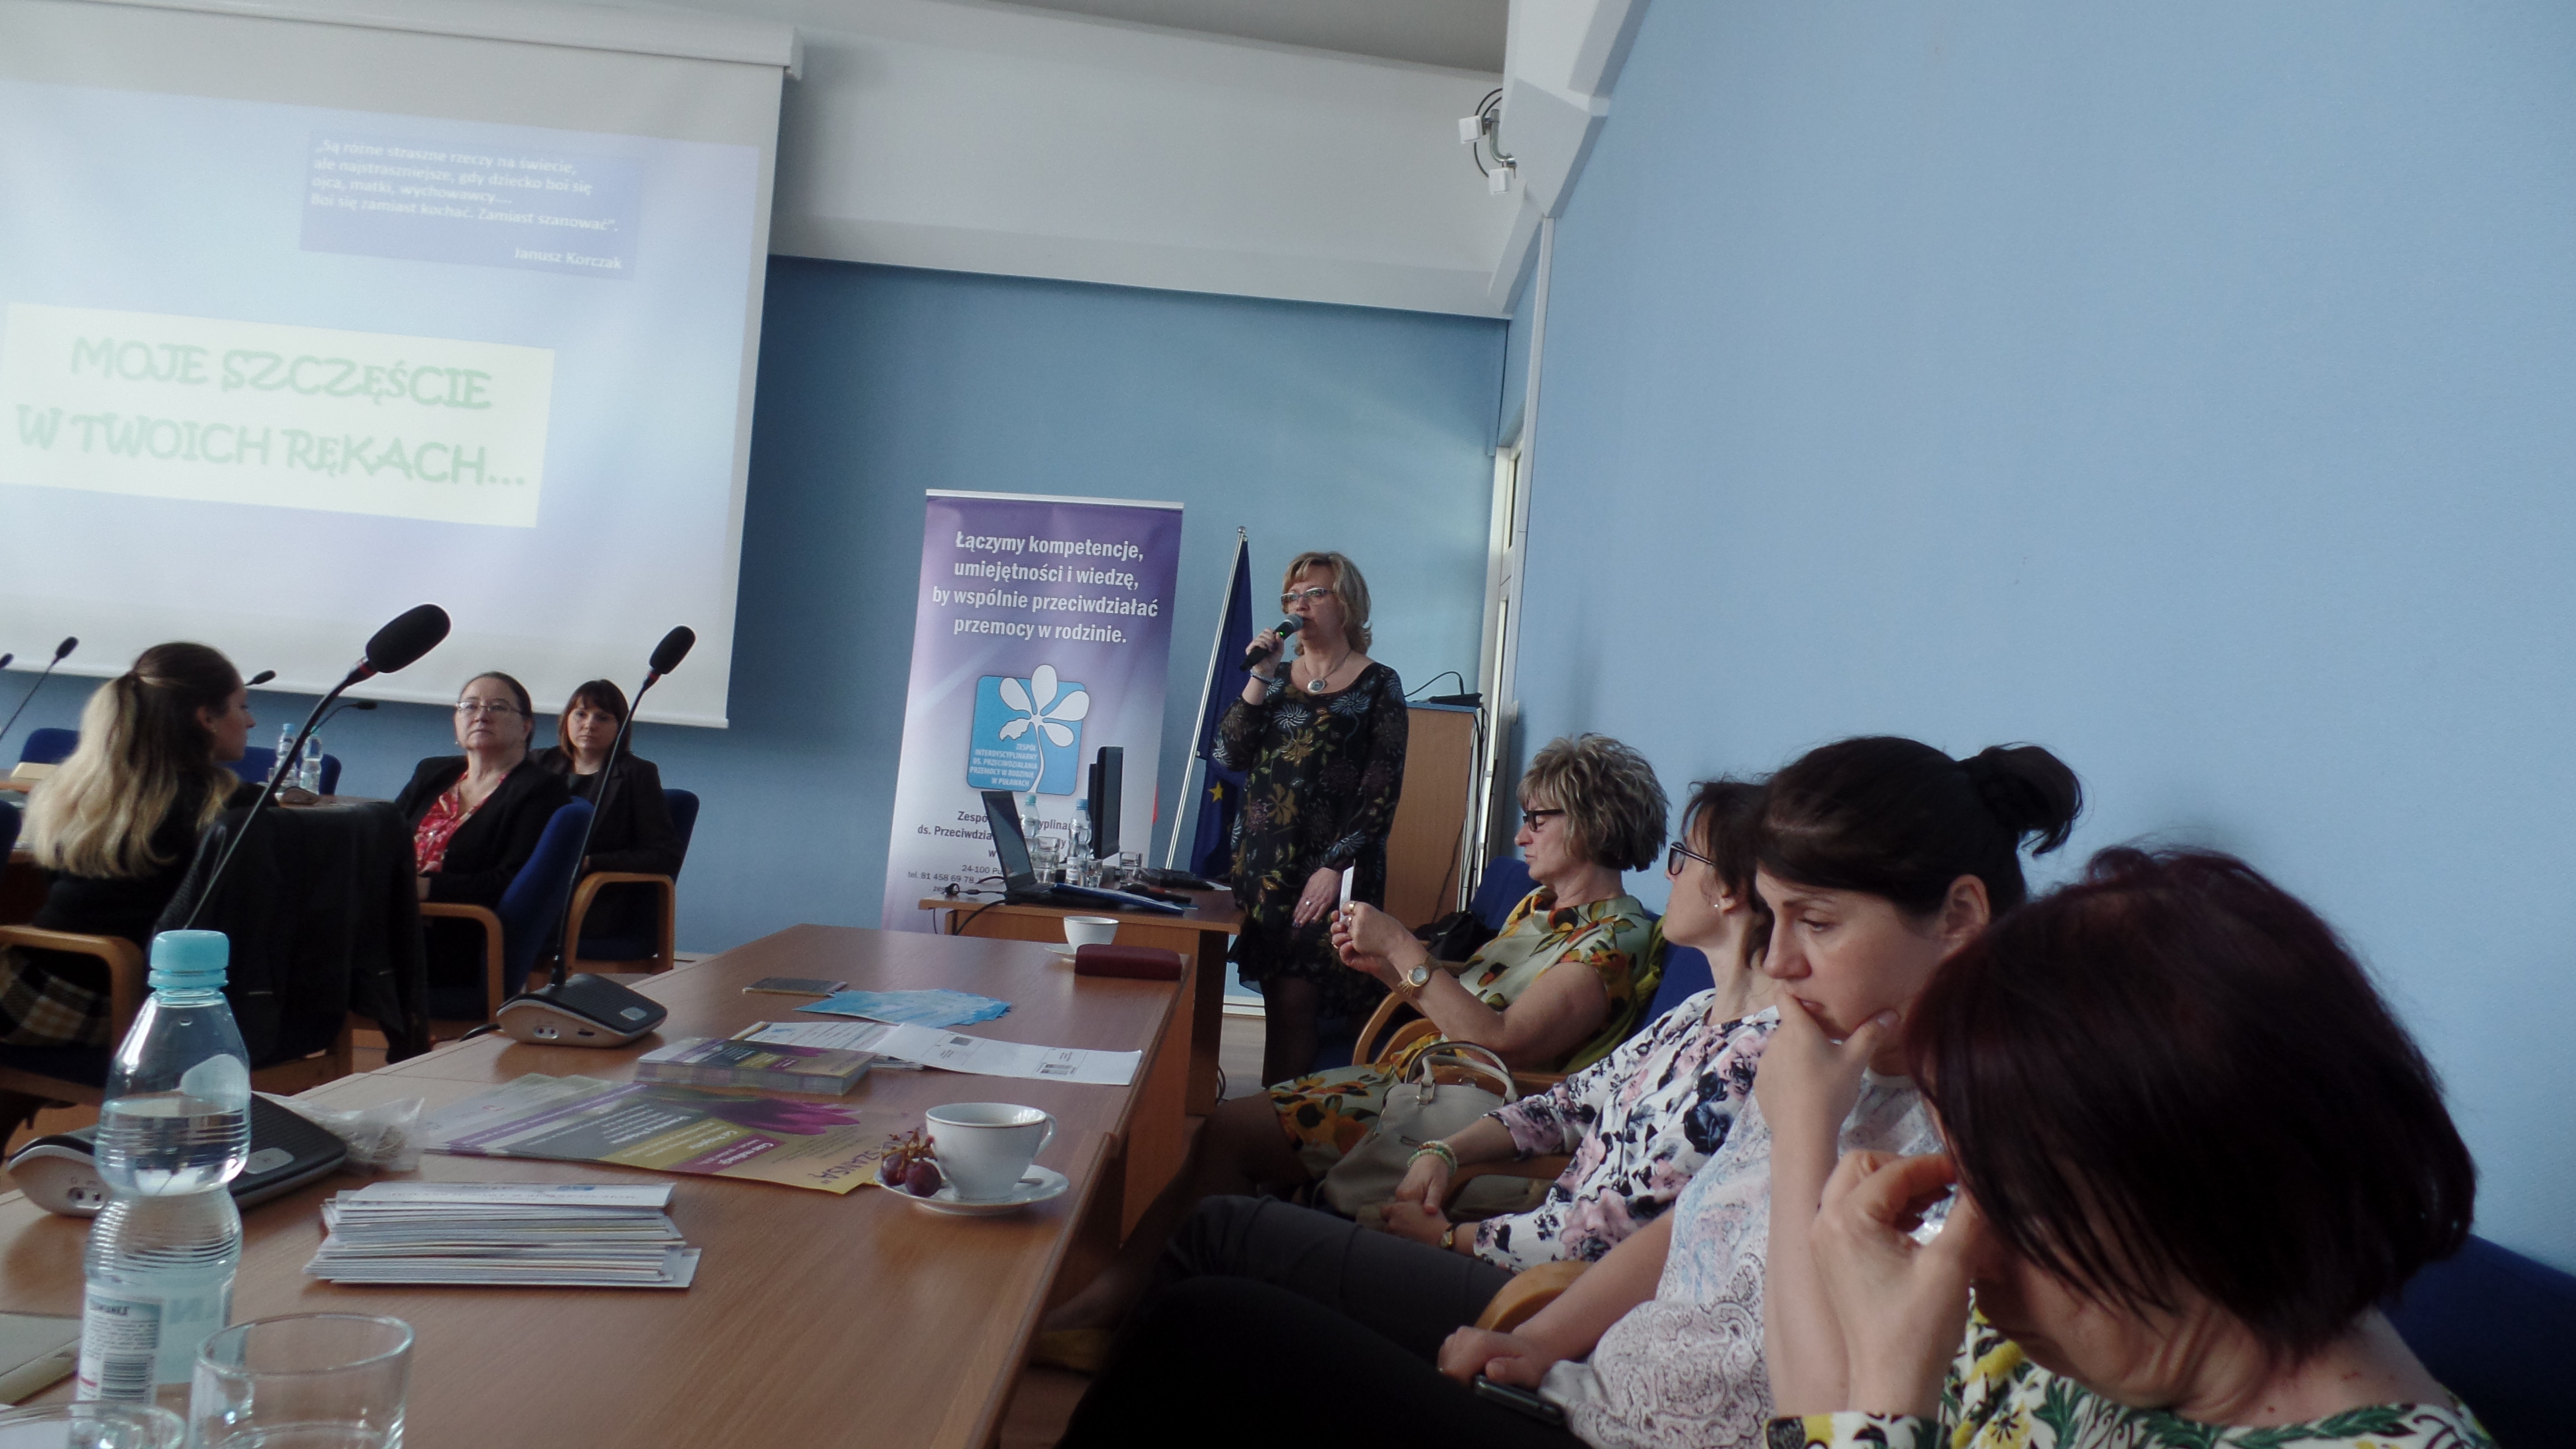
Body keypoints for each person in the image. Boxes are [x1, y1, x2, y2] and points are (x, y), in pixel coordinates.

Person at [1054, 735, 2081, 1449]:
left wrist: (1803, 1138)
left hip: (1615, 1427)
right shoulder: (1832, 1059)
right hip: (1577, 1386)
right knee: (1210, 1315)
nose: (1784, 962)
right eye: (1777, 921)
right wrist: (1538, 1335)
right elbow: (1682, 1229)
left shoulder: (1953, 1146)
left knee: (1209, 1330)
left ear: (1959, 918)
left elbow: (1832, 1420)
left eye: (1816, 923)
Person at [1048, 778, 1774, 1376]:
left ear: (1729, 891)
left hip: (1525, 1271)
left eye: (1686, 857)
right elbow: (1565, 1104)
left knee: (1225, 1219)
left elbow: (1615, 1220)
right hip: (1470, 1165)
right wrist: (1444, 1151)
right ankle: (1117, 1319)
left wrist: (1453, 1240)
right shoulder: (1694, 1015)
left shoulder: (1735, 1046)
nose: (1668, 873)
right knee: (1220, 1223)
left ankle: (1110, 1325)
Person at [1772, 847, 2490, 1449]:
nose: (1967, 1257)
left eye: (2020, 1203)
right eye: (1968, 1183)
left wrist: (1889, 1399)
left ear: (2224, 1202)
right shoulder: (2084, 1336)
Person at [1215, 550, 1409, 1086]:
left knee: (1301, 1005)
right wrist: (1260, 676)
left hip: (1333, 872)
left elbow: (1381, 790)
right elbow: (1229, 755)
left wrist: (1333, 866)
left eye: (1315, 594)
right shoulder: (1274, 680)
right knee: (1279, 1007)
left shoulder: (1379, 684)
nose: (1300, 605)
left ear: (1347, 604)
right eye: (1292, 596)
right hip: (1265, 871)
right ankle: (1270, 1115)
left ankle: (1286, 1121)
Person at [3, 643, 257, 1053]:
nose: (251, 721)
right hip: (135, 1002)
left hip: (42, 991)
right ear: (206, 718)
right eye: (241, 707)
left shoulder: (80, 791)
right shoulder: (235, 806)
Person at [394, 671, 572, 1005]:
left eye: (498, 707)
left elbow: (512, 883)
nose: (481, 715)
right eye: (470, 706)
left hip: (456, 939)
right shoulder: (432, 773)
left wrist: (427, 888)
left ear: (526, 727)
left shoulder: (540, 790)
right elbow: (384, 840)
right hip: (392, 921)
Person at [533, 679, 683, 946]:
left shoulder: (637, 774)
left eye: (602, 717)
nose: (589, 724)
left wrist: (591, 862)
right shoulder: (538, 763)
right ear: (566, 720)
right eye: (581, 714)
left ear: (620, 727)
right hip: (533, 885)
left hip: (593, 900)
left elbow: (664, 855)